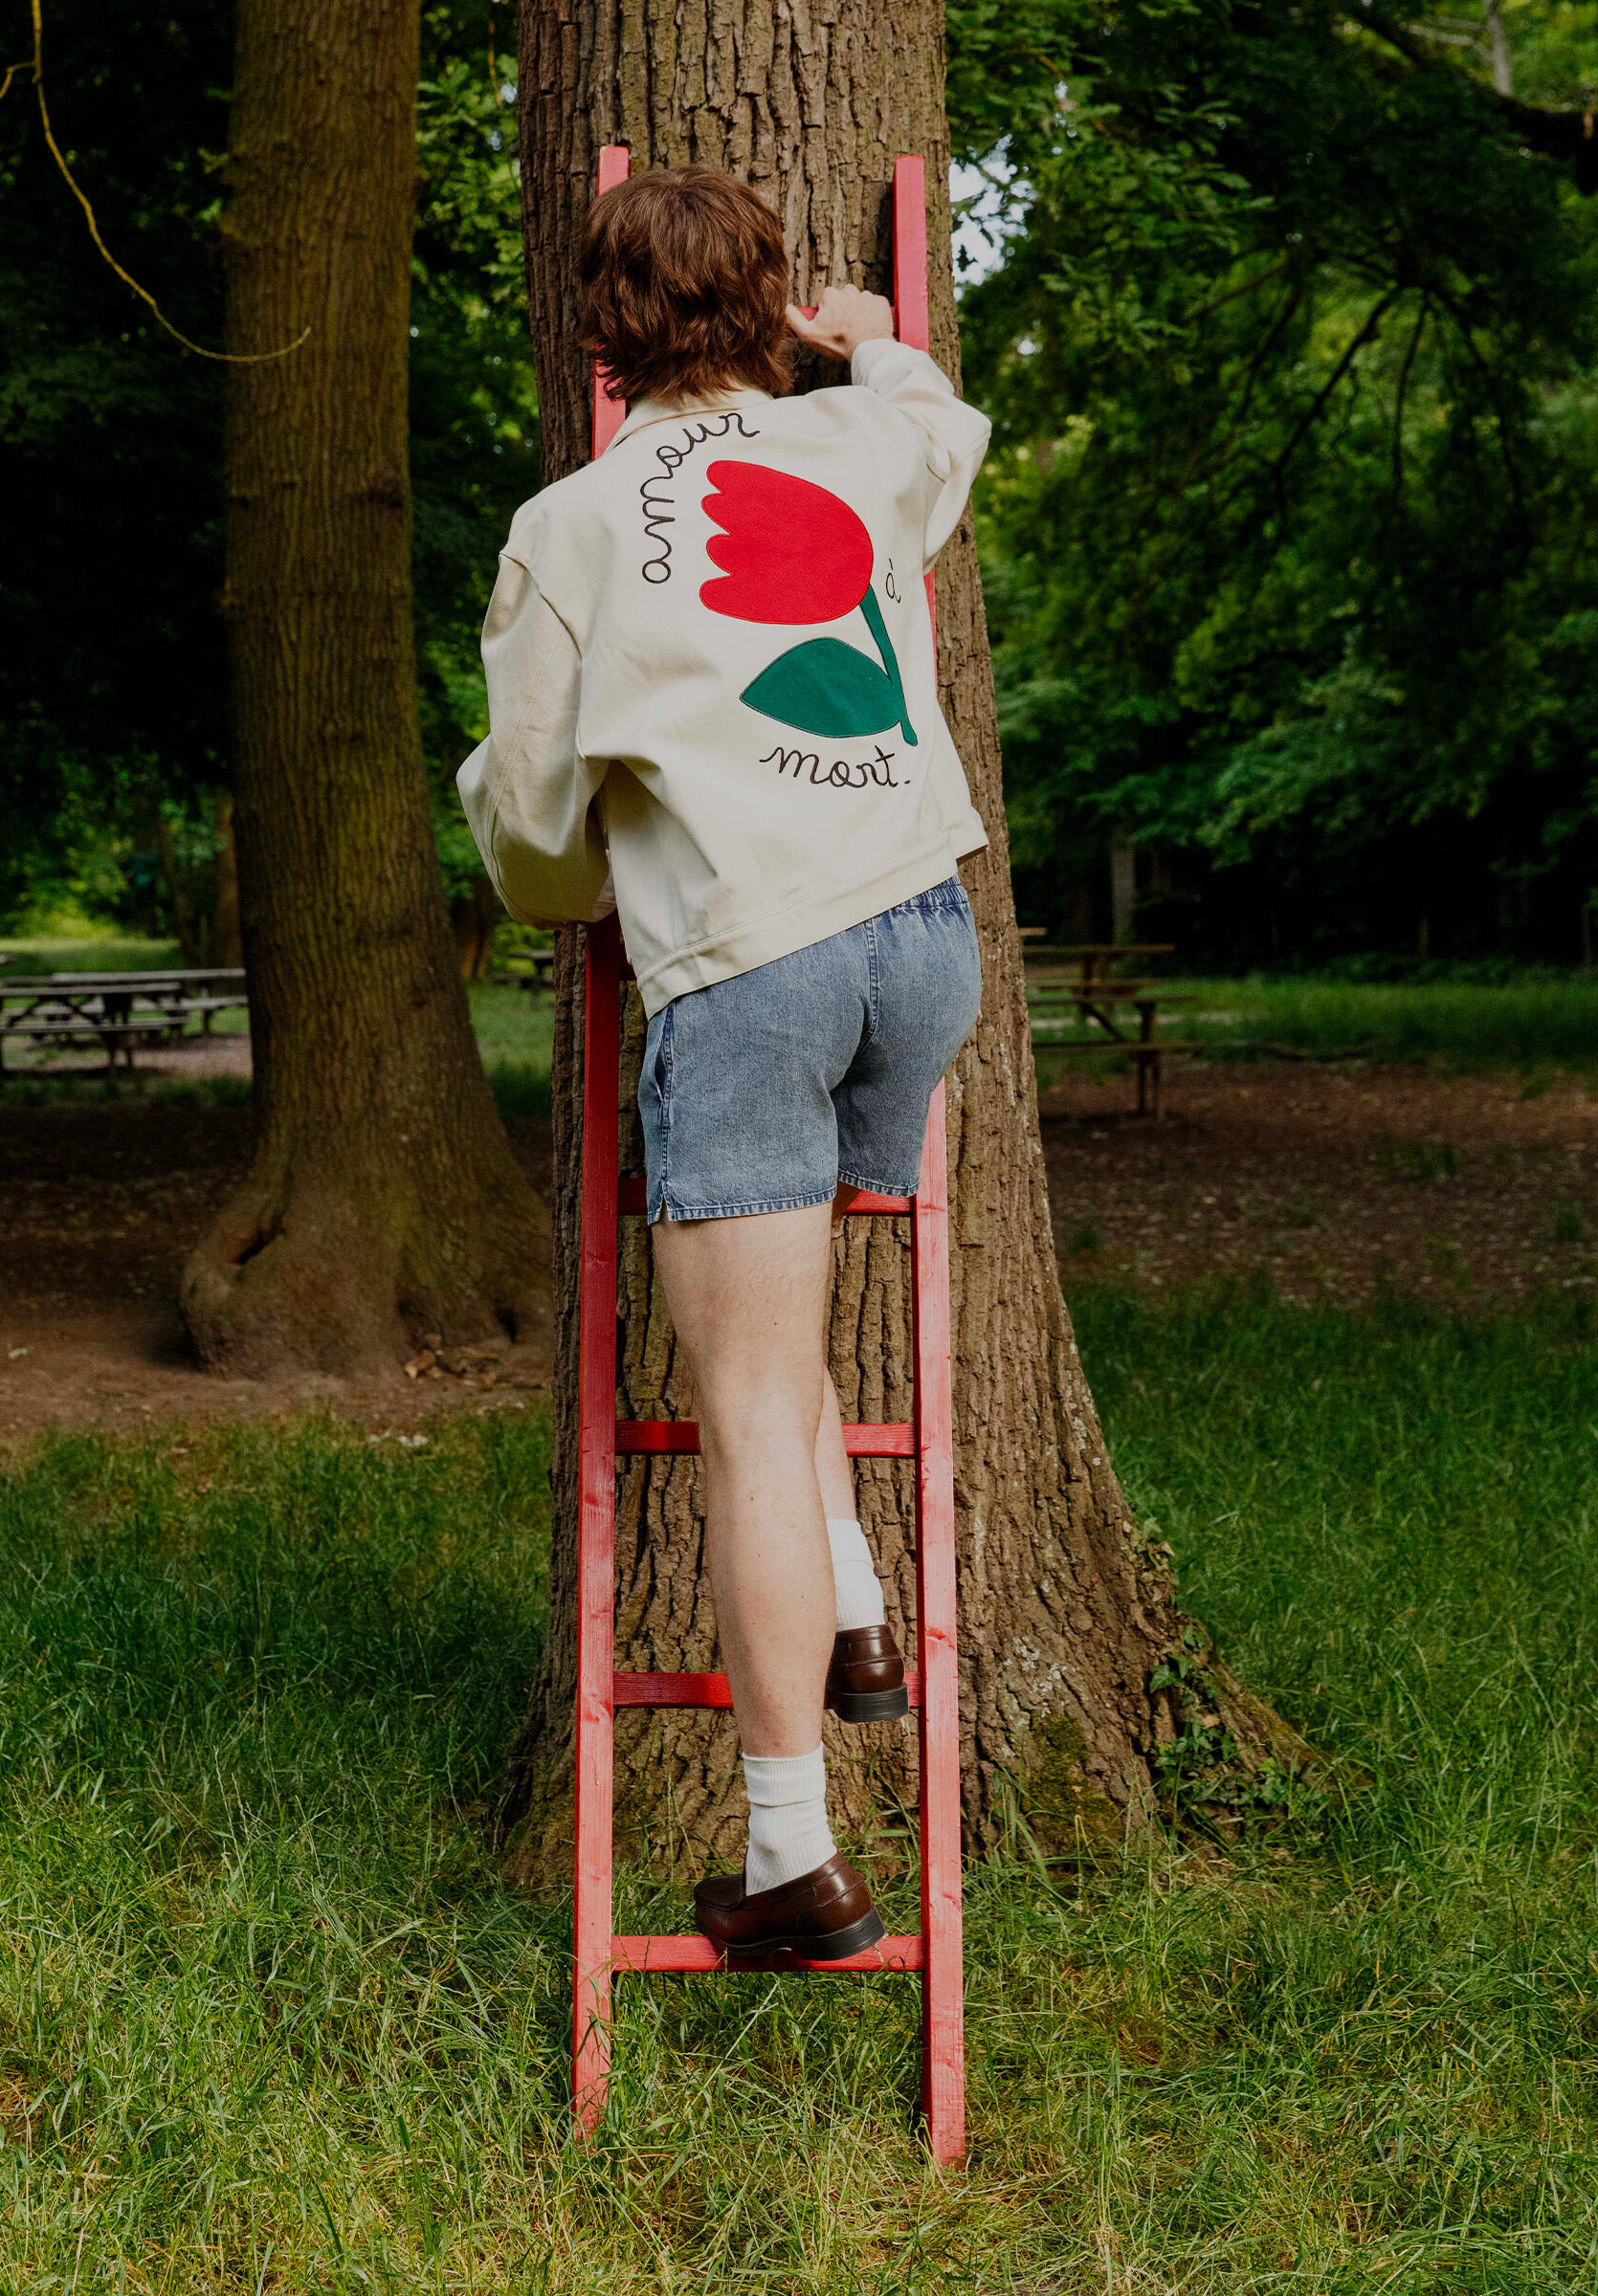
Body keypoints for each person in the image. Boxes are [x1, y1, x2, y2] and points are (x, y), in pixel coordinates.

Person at [458, 165, 989, 1961]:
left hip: (753, 969)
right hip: (921, 944)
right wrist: (871, 342)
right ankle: (855, 1608)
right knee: (787, 1332)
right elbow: (945, 429)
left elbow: (540, 849)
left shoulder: (570, 527)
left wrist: (572, 848)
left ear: (599, 335)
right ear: (767, 310)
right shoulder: (854, 443)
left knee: (750, 1400)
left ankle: (790, 1861)